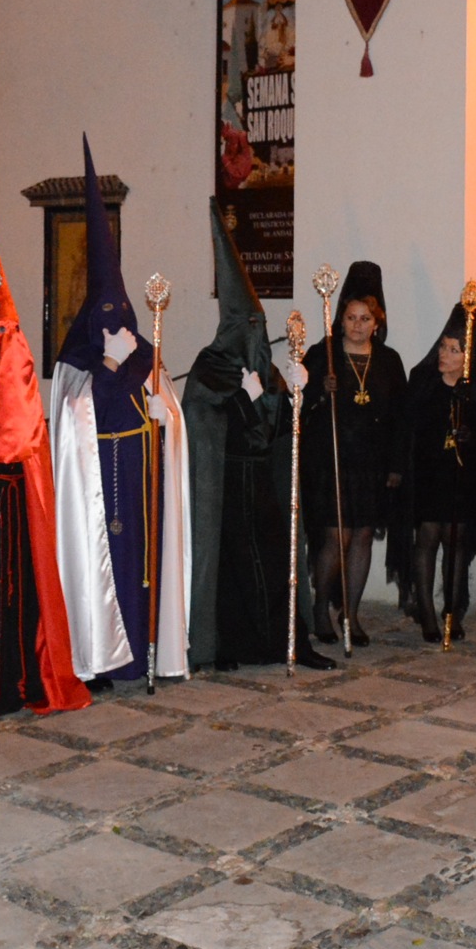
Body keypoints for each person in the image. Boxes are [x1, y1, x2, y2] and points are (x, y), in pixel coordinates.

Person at [0, 166, 90, 717]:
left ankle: (16, 680)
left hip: (13, 493)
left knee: (18, 593)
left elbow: (28, 432)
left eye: (7, 334)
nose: (3, 344)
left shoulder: (18, 351)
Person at [48, 139, 190, 689]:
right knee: (102, 563)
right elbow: (78, 418)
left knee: (138, 566)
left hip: (139, 480)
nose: (117, 323)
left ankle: (142, 653)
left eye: (122, 315)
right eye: (105, 315)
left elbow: (174, 425)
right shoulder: (77, 363)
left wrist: (165, 416)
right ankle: (98, 659)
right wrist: (108, 364)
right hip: (94, 488)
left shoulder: (148, 356)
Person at [183, 200, 334, 669]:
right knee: (230, 570)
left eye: (260, 326)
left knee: (278, 561)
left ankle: (293, 640)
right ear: (230, 328)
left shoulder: (265, 367)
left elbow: (279, 433)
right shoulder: (211, 367)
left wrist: (296, 395)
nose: (256, 333)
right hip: (226, 488)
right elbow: (208, 422)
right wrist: (243, 398)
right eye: (248, 326)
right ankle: (226, 647)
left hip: (264, 486)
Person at [300, 262, 406, 648]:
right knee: (335, 536)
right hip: (331, 461)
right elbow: (300, 406)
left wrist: (396, 465)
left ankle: (351, 614)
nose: (358, 325)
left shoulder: (390, 362)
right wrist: (318, 389)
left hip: (371, 464)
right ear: (340, 319)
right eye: (351, 317)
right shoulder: (322, 355)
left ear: (376, 323)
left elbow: (400, 419)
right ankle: (319, 609)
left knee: (362, 535)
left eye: (365, 319)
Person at [400, 299, 476, 642]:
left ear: (467, 356)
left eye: (454, 350)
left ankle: (453, 611)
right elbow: (407, 429)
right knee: (426, 539)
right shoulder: (422, 381)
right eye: (443, 346)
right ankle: (426, 612)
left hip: (461, 478)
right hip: (428, 475)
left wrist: (473, 435)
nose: (444, 354)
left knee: (456, 543)